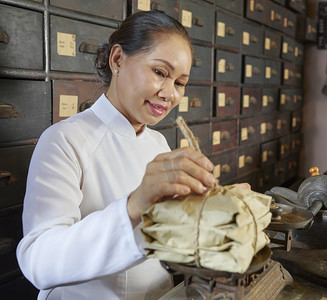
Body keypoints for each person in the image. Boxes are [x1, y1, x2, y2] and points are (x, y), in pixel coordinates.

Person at [16, 11, 223, 300]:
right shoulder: (64, 141)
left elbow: (165, 240)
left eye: (179, 83)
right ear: (117, 60)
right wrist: (132, 206)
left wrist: (214, 211)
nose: (169, 94)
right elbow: (38, 261)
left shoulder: (159, 143)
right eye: (160, 73)